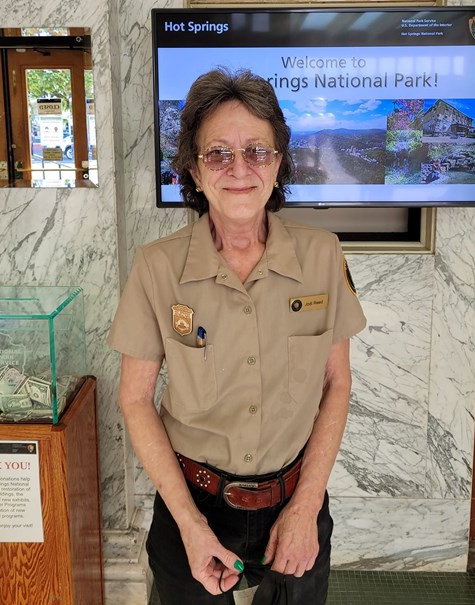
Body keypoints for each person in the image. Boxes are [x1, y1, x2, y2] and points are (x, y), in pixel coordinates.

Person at [107, 68, 366, 604]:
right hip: (192, 504)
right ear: (195, 173)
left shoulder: (323, 256)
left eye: (257, 151)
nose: (239, 169)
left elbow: (336, 383)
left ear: (278, 165)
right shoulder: (157, 269)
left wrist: (305, 504)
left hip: (296, 498)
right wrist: (189, 524)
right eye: (218, 153)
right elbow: (134, 399)